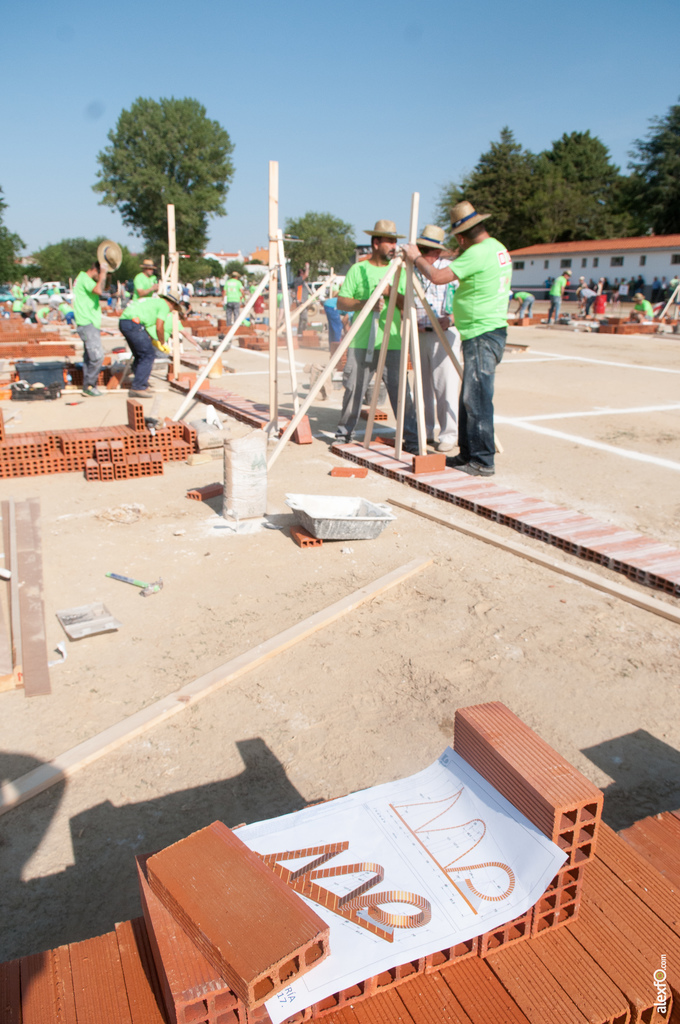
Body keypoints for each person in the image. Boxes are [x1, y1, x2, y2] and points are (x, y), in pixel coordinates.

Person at [403, 200, 511, 477]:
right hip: (483, 330)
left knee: (477, 398)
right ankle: (468, 453)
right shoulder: (496, 247)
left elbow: (438, 277)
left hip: (481, 332)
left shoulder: (477, 252)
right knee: (470, 396)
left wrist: (415, 257)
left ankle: (482, 460)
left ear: (462, 237)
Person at [336, 219, 418, 449]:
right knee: (354, 388)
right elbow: (342, 301)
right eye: (389, 241)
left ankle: (411, 439)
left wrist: (392, 292)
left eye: (395, 241)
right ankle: (344, 433)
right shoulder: (358, 269)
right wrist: (366, 303)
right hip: (361, 341)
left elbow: (407, 304)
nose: (394, 246)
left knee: (401, 393)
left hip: (391, 342)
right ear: (375, 243)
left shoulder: (400, 273)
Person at [413, 223, 460, 453]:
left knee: (446, 385)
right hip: (420, 333)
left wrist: (450, 318)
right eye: (422, 249)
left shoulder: (451, 270)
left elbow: (464, 301)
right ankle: (425, 430)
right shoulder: (412, 270)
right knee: (421, 386)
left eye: (429, 250)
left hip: (445, 333)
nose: (425, 254)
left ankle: (449, 434)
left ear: (438, 252)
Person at [118, 289, 183, 397]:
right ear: (172, 303)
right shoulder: (164, 306)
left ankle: (141, 383)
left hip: (126, 322)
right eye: (173, 308)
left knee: (140, 354)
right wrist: (162, 342)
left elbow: (149, 327)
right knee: (148, 355)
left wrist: (154, 340)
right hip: (133, 323)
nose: (171, 310)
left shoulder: (154, 302)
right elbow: (159, 326)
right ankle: (138, 386)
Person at [73, 260, 108, 397]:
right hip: (87, 322)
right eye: (98, 274)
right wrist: (103, 273)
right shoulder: (84, 278)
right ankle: (89, 385)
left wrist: (105, 276)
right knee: (97, 357)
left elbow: (102, 288)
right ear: (95, 270)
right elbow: (99, 290)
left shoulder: (84, 279)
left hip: (88, 322)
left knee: (89, 357)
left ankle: (87, 385)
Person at [291, 262, 310, 339]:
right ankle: (301, 333)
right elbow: (306, 275)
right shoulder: (298, 280)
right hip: (301, 301)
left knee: (302, 318)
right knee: (304, 318)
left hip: (304, 301)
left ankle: (301, 333)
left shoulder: (300, 281)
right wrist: (307, 267)